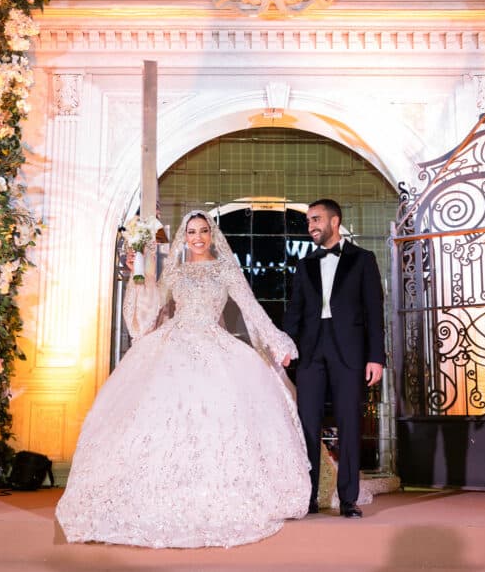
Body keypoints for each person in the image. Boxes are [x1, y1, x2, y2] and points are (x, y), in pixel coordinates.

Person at [56, 211, 310, 548]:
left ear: (212, 234)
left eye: (204, 231)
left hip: (213, 345)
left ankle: (214, 492)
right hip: (171, 344)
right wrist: (137, 274)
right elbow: (147, 316)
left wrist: (278, 343)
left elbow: (252, 309)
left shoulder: (225, 269)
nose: (198, 237)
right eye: (192, 232)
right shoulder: (174, 272)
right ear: (183, 237)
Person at [283, 198, 385, 519]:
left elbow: (374, 313)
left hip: (350, 352)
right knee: (307, 426)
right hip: (311, 352)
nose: (311, 226)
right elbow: (295, 312)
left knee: (349, 424)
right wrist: (286, 345)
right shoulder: (305, 265)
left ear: (334, 221)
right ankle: (308, 497)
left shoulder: (363, 260)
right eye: (309, 221)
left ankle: (349, 500)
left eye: (316, 219)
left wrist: (376, 357)